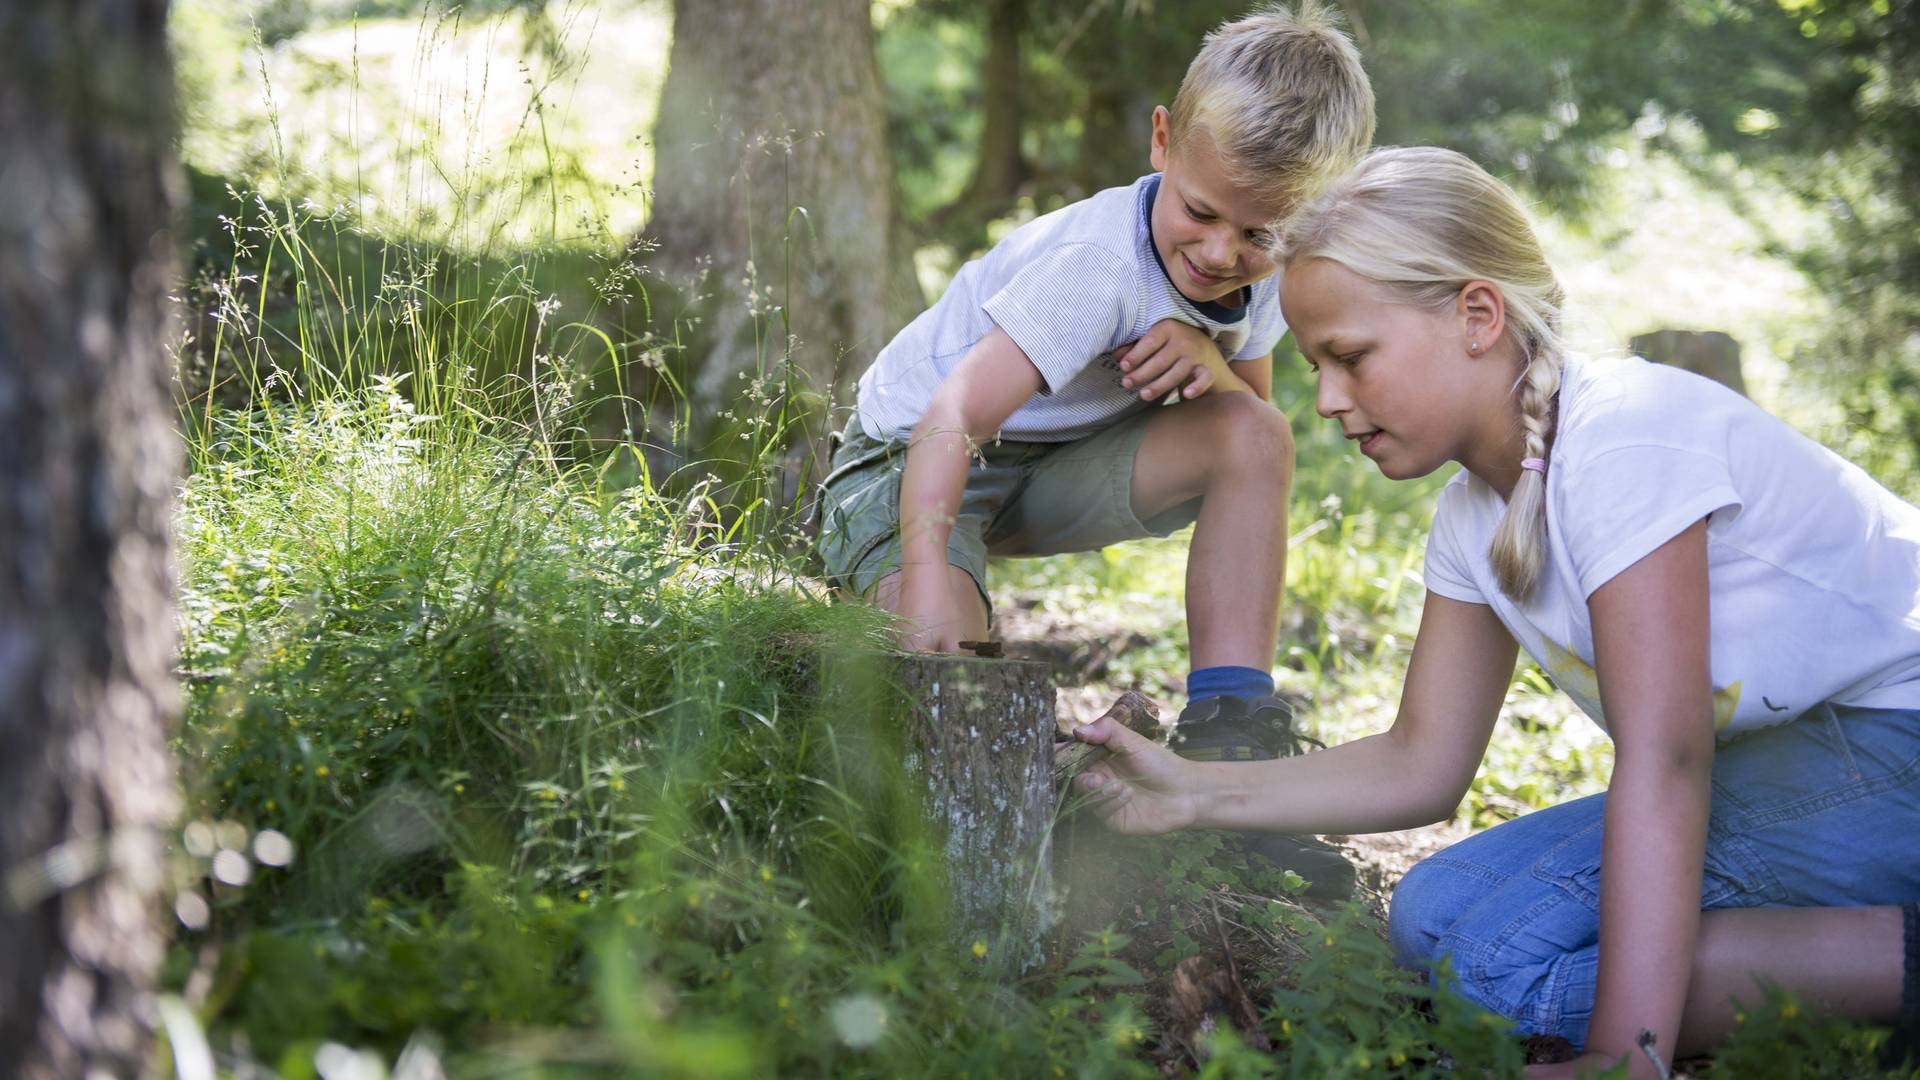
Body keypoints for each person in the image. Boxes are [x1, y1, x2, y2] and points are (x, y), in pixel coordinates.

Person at [1068, 144, 1920, 1074]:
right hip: (1803, 762)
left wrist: (1626, 1054)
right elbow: (1420, 763)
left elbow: (1668, 761)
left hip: (1896, 743)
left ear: (1478, 314)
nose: (1325, 401)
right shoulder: (1475, 514)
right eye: (1316, 365)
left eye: (1351, 358)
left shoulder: (1625, 442)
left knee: (1499, 971)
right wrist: (1192, 792)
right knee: (1433, 916)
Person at [816, 5, 1374, 892]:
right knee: (939, 650)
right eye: (1202, 212)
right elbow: (954, 414)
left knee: (1255, 434)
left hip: (1056, 461)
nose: (1222, 251)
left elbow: (1250, 430)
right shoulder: (1098, 264)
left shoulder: (1266, 272)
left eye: (1262, 234)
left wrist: (1208, 361)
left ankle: (1229, 739)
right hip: (911, 458)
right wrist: (926, 572)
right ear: (1161, 141)